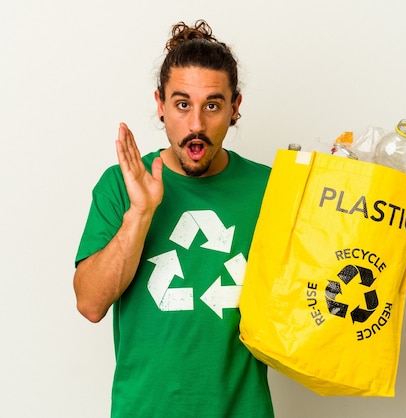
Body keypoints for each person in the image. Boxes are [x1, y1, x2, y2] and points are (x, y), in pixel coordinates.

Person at [73, 20, 274, 417]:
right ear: (160, 105)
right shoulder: (120, 185)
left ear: (235, 107)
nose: (196, 124)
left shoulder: (270, 188)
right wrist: (140, 213)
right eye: (182, 104)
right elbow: (91, 303)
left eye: (212, 106)